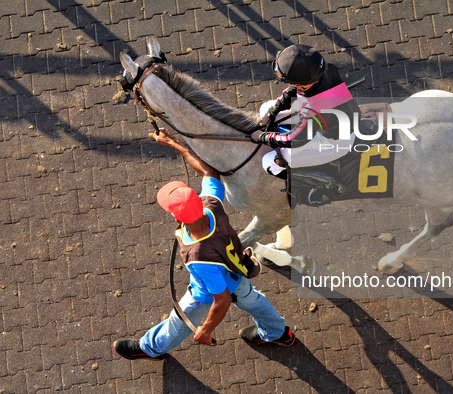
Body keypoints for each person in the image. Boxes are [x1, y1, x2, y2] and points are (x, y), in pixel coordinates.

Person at [113, 129, 295, 361]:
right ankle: (278, 333)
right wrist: (173, 143)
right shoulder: (211, 205)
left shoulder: (197, 256)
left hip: (206, 292)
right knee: (254, 300)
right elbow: (209, 171)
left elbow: (222, 300)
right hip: (237, 270)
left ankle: (152, 348)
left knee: (180, 320)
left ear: (174, 215)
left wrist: (205, 331)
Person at [249, 44, 361, 205]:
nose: (291, 84)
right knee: (265, 108)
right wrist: (273, 111)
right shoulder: (323, 68)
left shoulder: (313, 105)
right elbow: (293, 90)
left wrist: (264, 137)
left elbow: (294, 139)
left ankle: (327, 182)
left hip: (335, 143)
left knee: (268, 163)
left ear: (305, 83)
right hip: (331, 117)